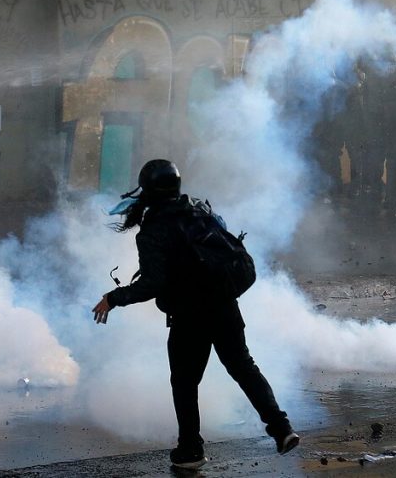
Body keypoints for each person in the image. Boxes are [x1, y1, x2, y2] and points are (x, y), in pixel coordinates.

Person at [92, 159, 299, 470]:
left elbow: (153, 283)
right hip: (224, 305)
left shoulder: (154, 229)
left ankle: (190, 450)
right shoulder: (199, 211)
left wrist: (114, 298)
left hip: (190, 315)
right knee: (243, 367)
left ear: (146, 189)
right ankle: (282, 429)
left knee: (185, 382)